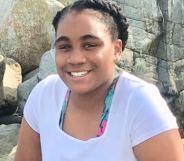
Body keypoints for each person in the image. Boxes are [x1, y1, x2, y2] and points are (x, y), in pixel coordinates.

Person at [14, 0, 184, 161]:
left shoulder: (139, 103)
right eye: (64, 47)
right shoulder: (44, 95)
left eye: (89, 45)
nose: (76, 59)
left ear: (117, 49)